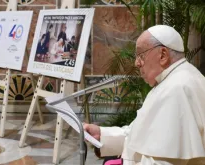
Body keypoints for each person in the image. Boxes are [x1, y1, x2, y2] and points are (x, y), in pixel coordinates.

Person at [84, 25, 205, 165]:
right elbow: (141, 134)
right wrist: (102, 135)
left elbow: (163, 161)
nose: (136, 63)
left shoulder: (177, 89)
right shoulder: (173, 80)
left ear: (163, 55)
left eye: (141, 55)